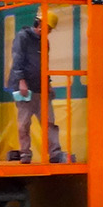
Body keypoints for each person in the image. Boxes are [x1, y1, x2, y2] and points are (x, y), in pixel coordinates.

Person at [8, 10, 65, 164]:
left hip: (40, 87)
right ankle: (25, 153)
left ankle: (55, 153)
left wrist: (48, 83)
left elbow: (43, 64)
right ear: (39, 24)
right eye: (48, 28)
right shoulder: (23, 37)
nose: (48, 32)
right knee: (24, 123)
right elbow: (17, 59)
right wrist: (21, 81)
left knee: (49, 122)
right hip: (24, 88)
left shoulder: (44, 42)